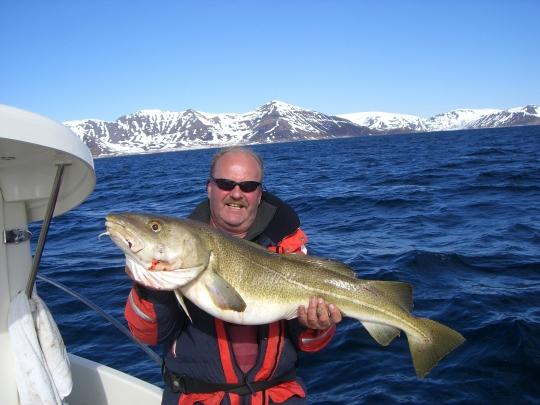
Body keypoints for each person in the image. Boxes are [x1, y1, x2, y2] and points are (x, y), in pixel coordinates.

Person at [124, 146, 342, 405]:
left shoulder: (288, 248)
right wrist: (150, 288)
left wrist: (316, 325)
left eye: (248, 186)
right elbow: (148, 336)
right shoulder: (181, 247)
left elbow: (309, 345)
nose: (236, 193)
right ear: (209, 188)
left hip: (278, 397)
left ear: (259, 194)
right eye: (226, 184)